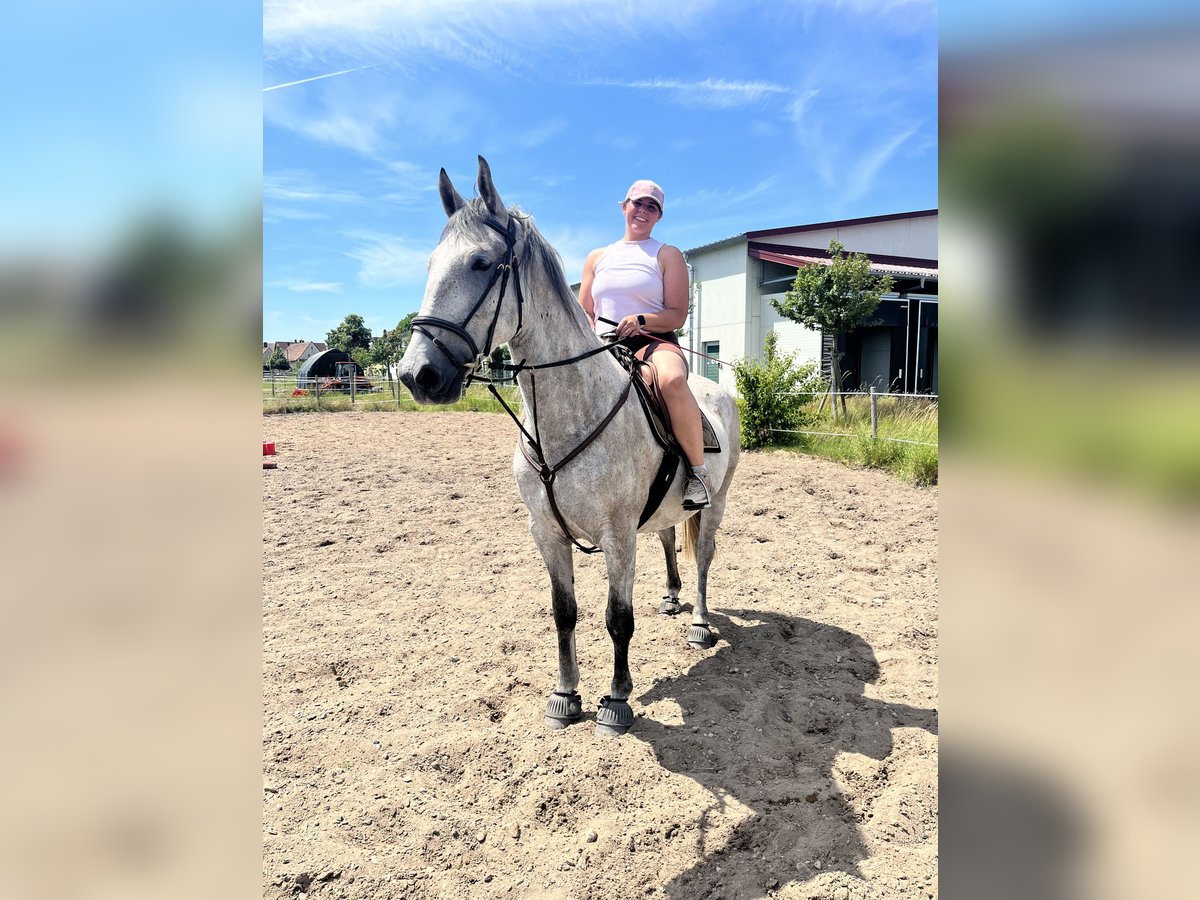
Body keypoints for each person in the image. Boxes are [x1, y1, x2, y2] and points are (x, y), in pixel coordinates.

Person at [578, 179, 712, 510]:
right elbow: (585, 313)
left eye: (652, 207)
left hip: (652, 341)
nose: (643, 210)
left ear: (659, 217)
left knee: (671, 380)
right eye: (638, 203)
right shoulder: (597, 257)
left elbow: (677, 314)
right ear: (623, 207)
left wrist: (641, 320)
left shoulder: (667, 254)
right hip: (603, 346)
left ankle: (697, 473)